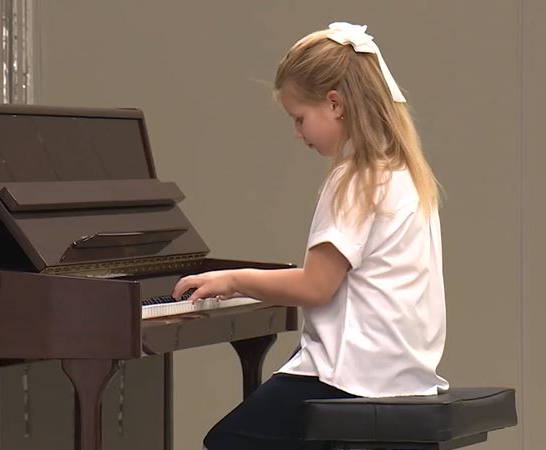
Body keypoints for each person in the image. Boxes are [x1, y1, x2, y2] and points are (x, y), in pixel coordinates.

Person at [172, 22, 450, 450]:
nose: (297, 132)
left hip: (353, 379)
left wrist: (232, 279)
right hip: (404, 373)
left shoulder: (356, 179)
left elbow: (315, 287)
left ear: (335, 103)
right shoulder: (404, 174)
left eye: (299, 118)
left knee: (226, 442)